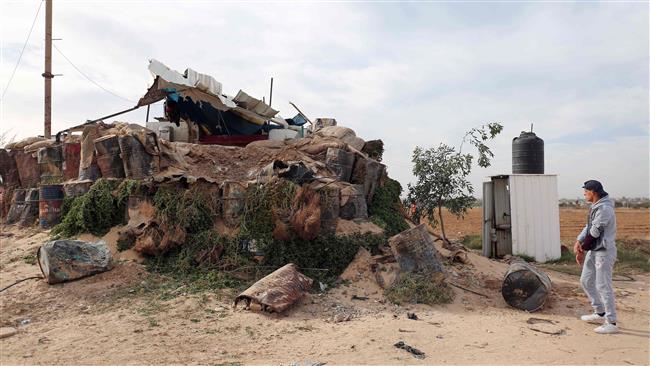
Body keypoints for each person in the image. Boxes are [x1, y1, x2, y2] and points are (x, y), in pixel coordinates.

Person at [574, 180, 618, 334]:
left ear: (593, 191)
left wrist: (582, 249)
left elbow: (595, 232)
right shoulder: (596, 206)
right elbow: (588, 227)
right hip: (594, 250)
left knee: (603, 285)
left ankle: (611, 322)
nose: (584, 194)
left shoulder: (605, 208)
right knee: (585, 280)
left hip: (604, 252)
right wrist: (579, 241)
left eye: (585, 191)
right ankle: (600, 313)